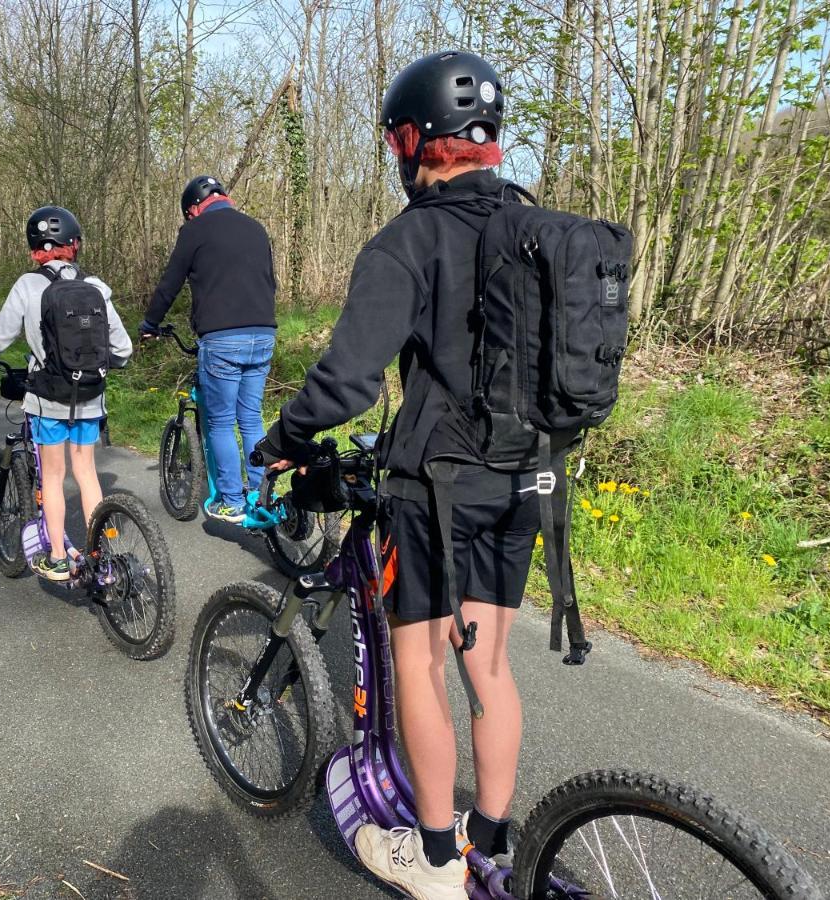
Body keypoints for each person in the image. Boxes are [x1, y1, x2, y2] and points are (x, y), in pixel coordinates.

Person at [254, 52, 526, 899]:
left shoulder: (408, 239)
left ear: (415, 139)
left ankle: (437, 861)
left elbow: (347, 380)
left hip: (435, 488)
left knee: (420, 663)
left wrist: (282, 441)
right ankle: (493, 837)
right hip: (527, 481)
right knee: (489, 667)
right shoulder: (536, 227)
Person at [0, 206, 132, 581]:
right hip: (89, 397)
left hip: (48, 399)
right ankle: (100, 557)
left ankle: (56, 556)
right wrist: (99, 365)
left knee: (52, 477)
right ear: (75, 245)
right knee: (86, 473)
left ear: (35, 248)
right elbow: (123, 350)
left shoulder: (27, 285)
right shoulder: (97, 288)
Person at [139, 176, 277, 524]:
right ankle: (262, 495)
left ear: (193, 208)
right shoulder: (256, 228)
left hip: (223, 341)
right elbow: (269, 282)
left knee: (219, 422)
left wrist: (149, 324)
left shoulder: (195, 231)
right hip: (263, 334)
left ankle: (230, 500)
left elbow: (170, 282)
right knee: (250, 417)